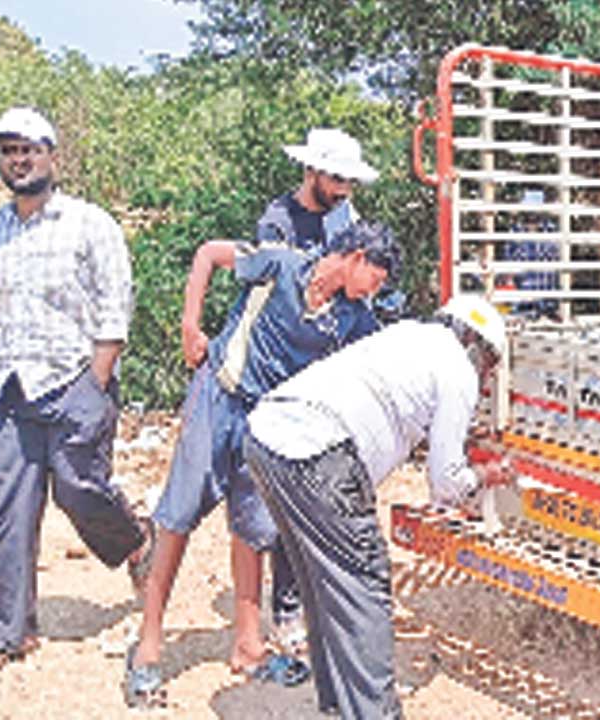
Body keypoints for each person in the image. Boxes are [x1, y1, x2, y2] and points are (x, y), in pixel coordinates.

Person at [123, 222, 399, 706]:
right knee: (178, 517)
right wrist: (191, 324)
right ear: (356, 257)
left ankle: (248, 645)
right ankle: (147, 648)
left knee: (254, 529)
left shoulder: (352, 319)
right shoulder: (281, 264)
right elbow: (208, 252)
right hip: (218, 397)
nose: (375, 290)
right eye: (375, 278)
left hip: (270, 421)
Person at [244, 295, 514, 720]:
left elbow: (396, 410)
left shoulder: (408, 334)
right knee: (363, 585)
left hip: (267, 437)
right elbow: (445, 484)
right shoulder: (458, 370)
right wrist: (486, 476)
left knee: (323, 585)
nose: (483, 380)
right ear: (478, 349)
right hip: (320, 455)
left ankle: (339, 705)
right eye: (488, 369)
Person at [0, 106, 153, 677]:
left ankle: (136, 543)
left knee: (78, 486)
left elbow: (114, 303)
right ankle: (11, 633)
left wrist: (97, 381)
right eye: (9, 152)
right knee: (6, 508)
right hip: (11, 388)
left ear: (52, 156)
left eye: (29, 150)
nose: (19, 161)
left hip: (75, 378)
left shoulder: (88, 222)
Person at [255, 126, 381, 648]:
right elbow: (277, 295)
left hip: (328, 366)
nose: (345, 187)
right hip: (283, 366)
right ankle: (283, 610)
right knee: (278, 493)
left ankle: (312, 601)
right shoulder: (278, 222)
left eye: (350, 179)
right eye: (338, 177)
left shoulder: (344, 217)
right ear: (312, 172)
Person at [256, 127, 379, 250]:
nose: (345, 191)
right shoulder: (278, 225)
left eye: (352, 181)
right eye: (337, 179)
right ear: (310, 173)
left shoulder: (345, 214)